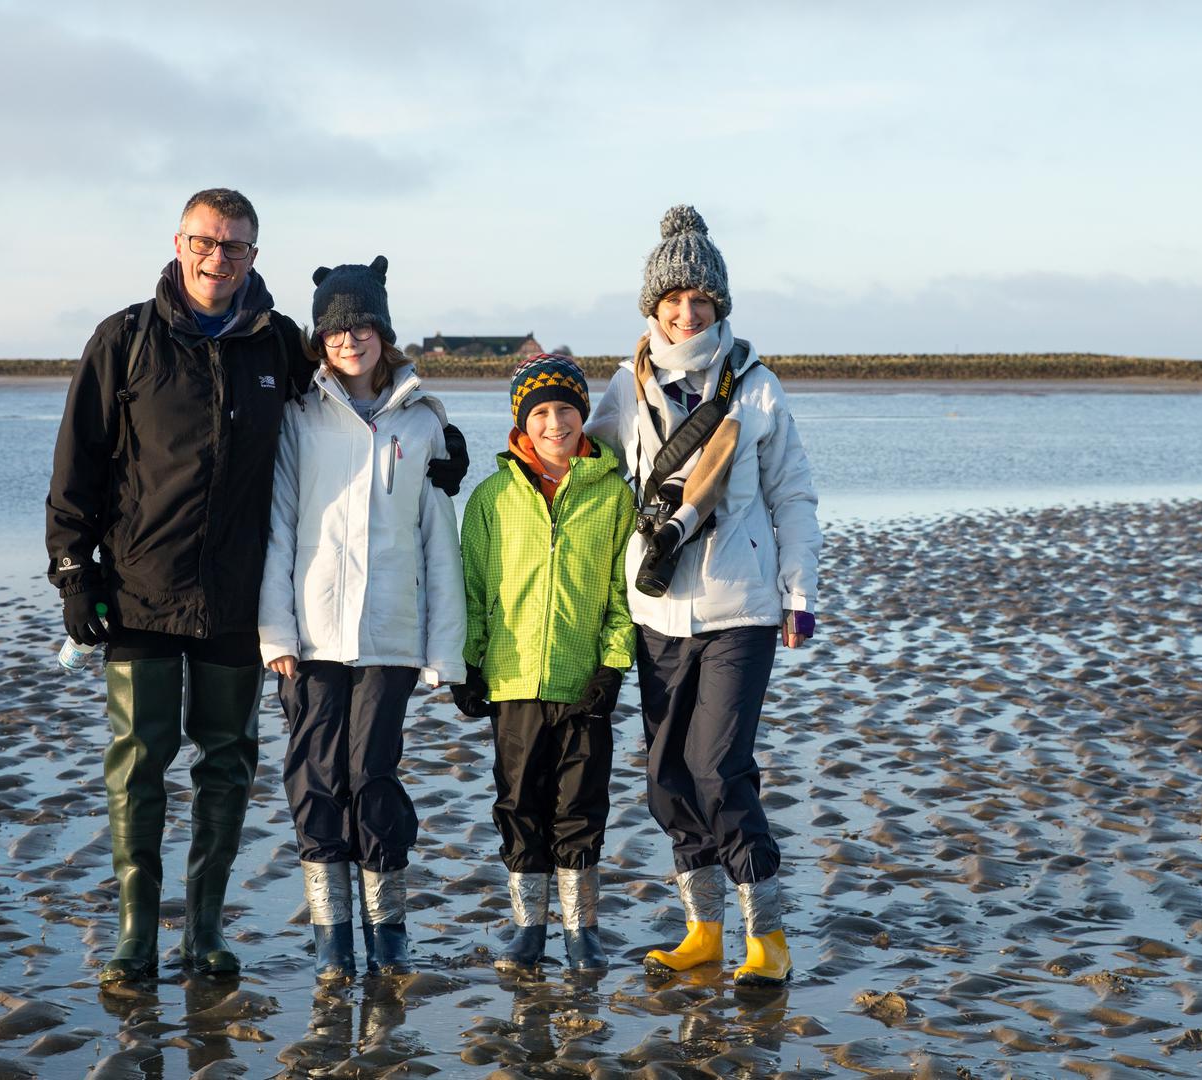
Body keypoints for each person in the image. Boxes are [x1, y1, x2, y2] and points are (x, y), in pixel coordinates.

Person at [46, 190, 470, 987]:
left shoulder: (278, 344)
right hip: (140, 590)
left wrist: (448, 437)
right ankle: (136, 934)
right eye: (206, 242)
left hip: (238, 603)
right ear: (179, 244)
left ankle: (204, 932)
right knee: (139, 759)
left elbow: (373, 396)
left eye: (235, 247)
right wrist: (75, 572)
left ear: (253, 257)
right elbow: (77, 467)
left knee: (229, 763)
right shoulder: (125, 339)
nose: (218, 258)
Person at [586, 205, 821, 986]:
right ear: (651, 308)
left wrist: (799, 593)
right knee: (667, 778)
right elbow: (577, 463)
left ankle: (768, 937)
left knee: (719, 770)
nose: (687, 312)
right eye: (673, 299)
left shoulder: (754, 388)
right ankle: (703, 933)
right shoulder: (626, 388)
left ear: (720, 304)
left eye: (701, 300)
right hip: (655, 613)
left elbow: (793, 495)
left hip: (740, 609)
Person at [257, 256, 466, 981]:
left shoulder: (422, 419)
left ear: (383, 331)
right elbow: (279, 526)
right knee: (315, 776)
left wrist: (446, 648)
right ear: (321, 339)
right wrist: (274, 631)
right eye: (337, 329)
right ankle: (330, 935)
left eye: (363, 326)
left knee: (372, 774)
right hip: (310, 637)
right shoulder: (299, 415)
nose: (351, 340)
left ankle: (389, 927)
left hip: (391, 637)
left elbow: (439, 541)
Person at [456, 354, 636, 975]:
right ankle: (528, 928)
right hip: (512, 684)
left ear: (583, 416)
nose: (554, 423)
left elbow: (622, 593)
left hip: (582, 683)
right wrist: (468, 664)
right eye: (540, 413)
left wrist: (611, 666)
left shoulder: (613, 495)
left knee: (581, 807)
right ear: (521, 425)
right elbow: (473, 591)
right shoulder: (491, 498)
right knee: (518, 805)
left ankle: (581, 929)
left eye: (565, 409)